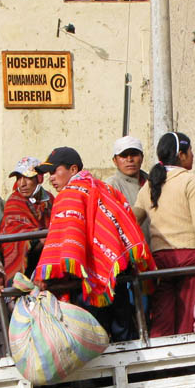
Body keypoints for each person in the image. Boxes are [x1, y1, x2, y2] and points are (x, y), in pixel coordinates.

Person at [34, 146, 154, 341]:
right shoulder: (105, 188)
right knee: (123, 334)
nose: (51, 178)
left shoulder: (69, 195)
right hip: (116, 274)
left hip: (86, 282)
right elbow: (126, 224)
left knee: (93, 337)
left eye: (54, 171)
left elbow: (64, 242)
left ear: (73, 170)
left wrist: (46, 276)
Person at [133, 132, 195, 337]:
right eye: (191, 151)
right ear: (181, 154)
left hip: (160, 260)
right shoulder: (191, 181)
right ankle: (188, 368)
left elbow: (132, 220)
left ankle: (161, 366)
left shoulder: (150, 186)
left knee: (162, 319)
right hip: (191, 259)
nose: (193, 155)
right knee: (189, 318)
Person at [0, 156, 53, 279]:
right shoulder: (14, 202)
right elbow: (12, 230)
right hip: (27, 264)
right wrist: (39, 237)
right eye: (19, 178)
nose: (22, 184)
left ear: (39, 178)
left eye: (27, 178)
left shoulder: (49, 199)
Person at [104, 135, 148, 205]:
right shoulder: (110, 186)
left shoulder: (152, 181)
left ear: (142, 157)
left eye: (134, 154)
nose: (129, 159)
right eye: (124, 155)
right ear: (115, 160)